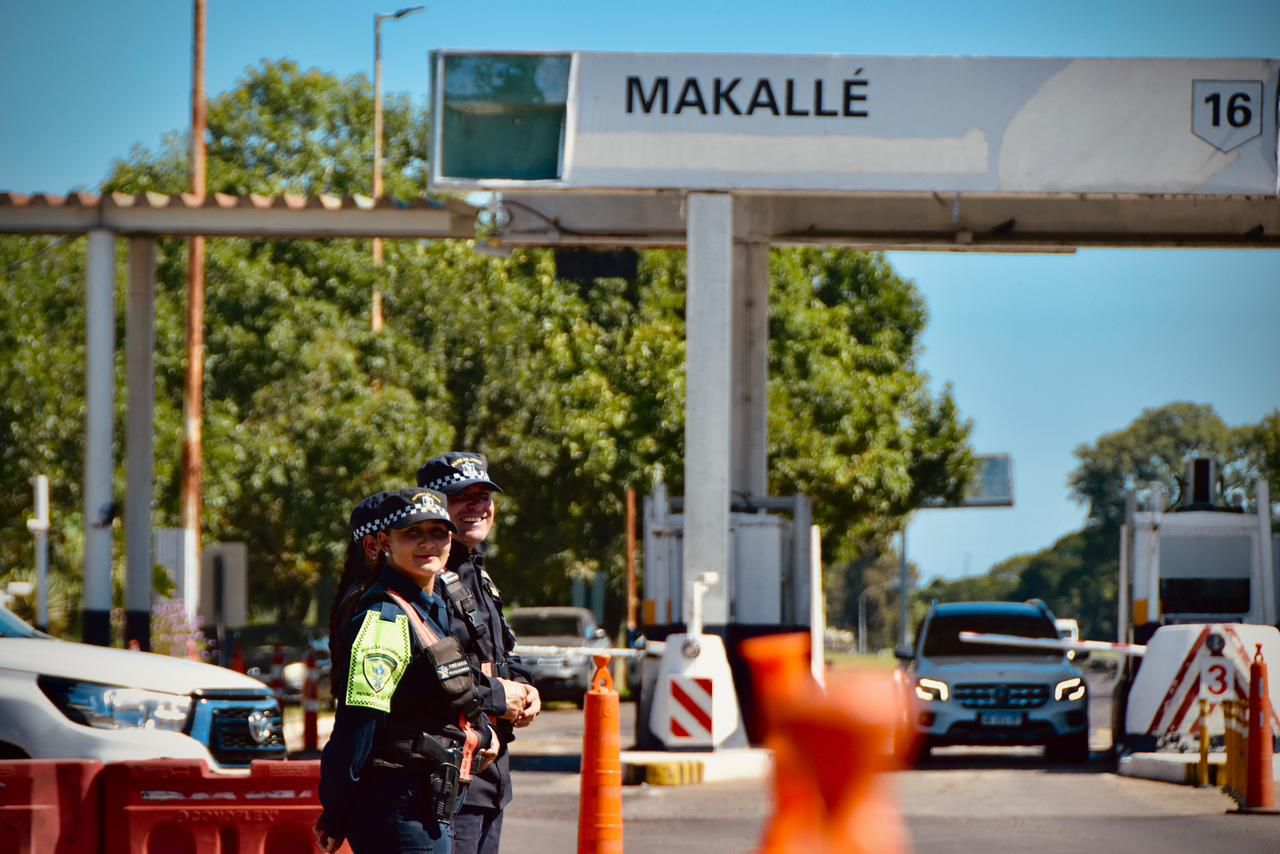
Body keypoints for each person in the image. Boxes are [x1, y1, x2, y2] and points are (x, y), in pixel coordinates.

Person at [317, 488, 498, 853]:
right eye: (413, 533)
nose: (427, 543)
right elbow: (357, 728)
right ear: (385, 542)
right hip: (397, 807)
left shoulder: (434, 606)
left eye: (438, 532)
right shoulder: (385, 619)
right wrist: (335, 814)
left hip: (431, 804)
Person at [417, 452, 541, 854]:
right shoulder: (426, 580)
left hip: (489, 775)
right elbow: (435, 673)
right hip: (451, 773)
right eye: (461, 497)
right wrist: (500, 696)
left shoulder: (475, 573)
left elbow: (496, 653)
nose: (477, 507)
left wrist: (526, 688)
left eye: (483, 496)